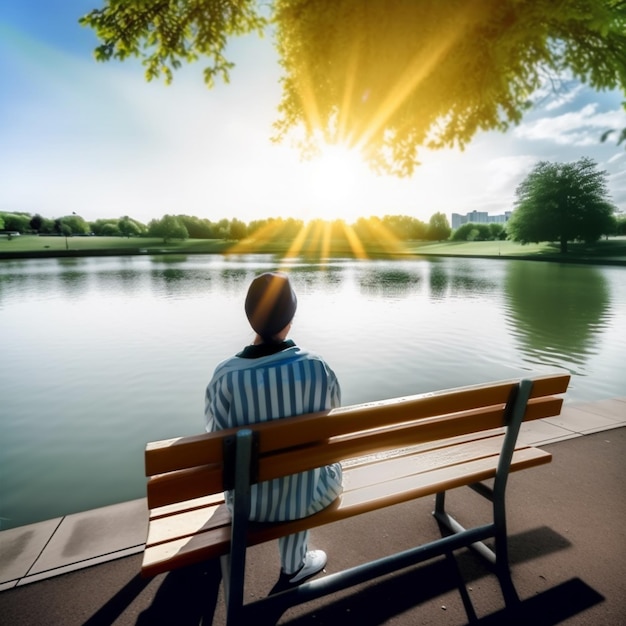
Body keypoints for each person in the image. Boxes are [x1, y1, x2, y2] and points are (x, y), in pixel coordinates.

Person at [205, 271, 343, 587]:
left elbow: (216, 441)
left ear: (250, 318)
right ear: (290, 319)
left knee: (247, 466)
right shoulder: (317, 366)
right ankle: (294, 565)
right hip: (314, 495)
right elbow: (330, 426)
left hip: (246, 506)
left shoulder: (225, 376)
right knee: (305, 463)